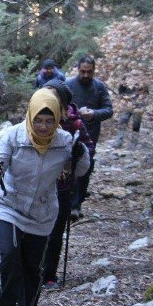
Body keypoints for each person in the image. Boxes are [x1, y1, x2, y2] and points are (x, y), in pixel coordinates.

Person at [0, 88, 90, 306]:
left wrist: (80, 153)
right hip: (8, 205)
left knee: (32, 265)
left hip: (42, 210)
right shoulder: (13, 135)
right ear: (30, 116)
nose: (43, 127)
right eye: (38, 121)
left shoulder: (64, 141)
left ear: (57, 119)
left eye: (49, 121)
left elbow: (82, 169)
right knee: (9, 256)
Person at [40, 80, 95, 290]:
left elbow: (89, 147)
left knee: (55, 231)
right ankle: (32, 268)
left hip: (62, 185)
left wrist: (80, 153)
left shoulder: (74, 123)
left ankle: (49, 274)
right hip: (35, 183)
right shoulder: (35, 116)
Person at [65, 56, 113, 220]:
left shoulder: (99, 87)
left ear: (94, 71)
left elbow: (108, 110)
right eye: (82, 71)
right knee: (66, 168)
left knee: (85, 168)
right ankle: (66, 203)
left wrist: (94, 114)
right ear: (78, 69)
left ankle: (77, 205)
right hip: (68, 134)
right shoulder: (69, 84)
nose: (85, 75)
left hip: (90, 135)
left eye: (89, 72)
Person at [113, 78, 148, 149]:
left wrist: (143, 105)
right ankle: (118, 142)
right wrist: (123, 97)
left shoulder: (142, 77)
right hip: (126, 105)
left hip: (138, 106)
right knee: (122, 122)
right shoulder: (126, 77)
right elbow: (120, 91)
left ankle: (134, 143)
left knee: (136, 124)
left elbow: (146, 93)